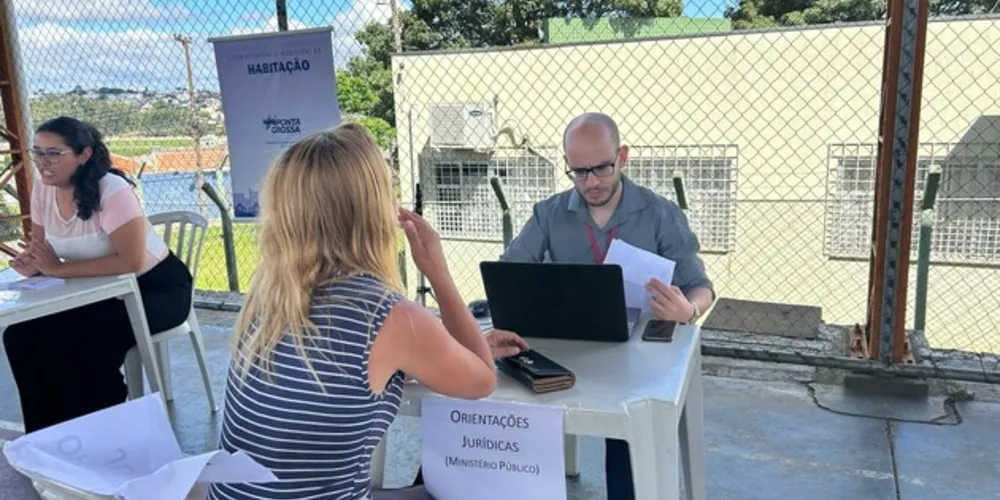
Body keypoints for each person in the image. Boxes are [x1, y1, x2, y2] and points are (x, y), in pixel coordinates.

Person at [208, 123, 526, 500]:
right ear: (375, 210)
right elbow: (482, 382)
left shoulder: (270, 297)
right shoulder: (388, 316)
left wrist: (455, 348)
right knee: (472, 484)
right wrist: (438, 275)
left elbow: (342, 373)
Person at [501, 112, 715, 499]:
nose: (592, 182)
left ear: (623, 156)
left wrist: (689, 310)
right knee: (518, 407)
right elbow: (509, 274)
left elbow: (701, 286)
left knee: (629, 431)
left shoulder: (659, 213)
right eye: (579, 172)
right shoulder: (549, 214)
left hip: (639, 353)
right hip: (569, 343)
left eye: (601, 168)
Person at [2, 116, 193, 433]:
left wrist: (59, 269)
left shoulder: (113, 190)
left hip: (155, 290)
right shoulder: (41, 192)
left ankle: (105, 439)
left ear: (83, 155)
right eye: (37, 152)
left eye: (54, 153)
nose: (42, 162)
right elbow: (42, 247)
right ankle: (46, 438)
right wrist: (33, 263)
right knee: (22, 337)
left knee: (85, 345)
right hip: (95, 291)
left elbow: (131, 260)